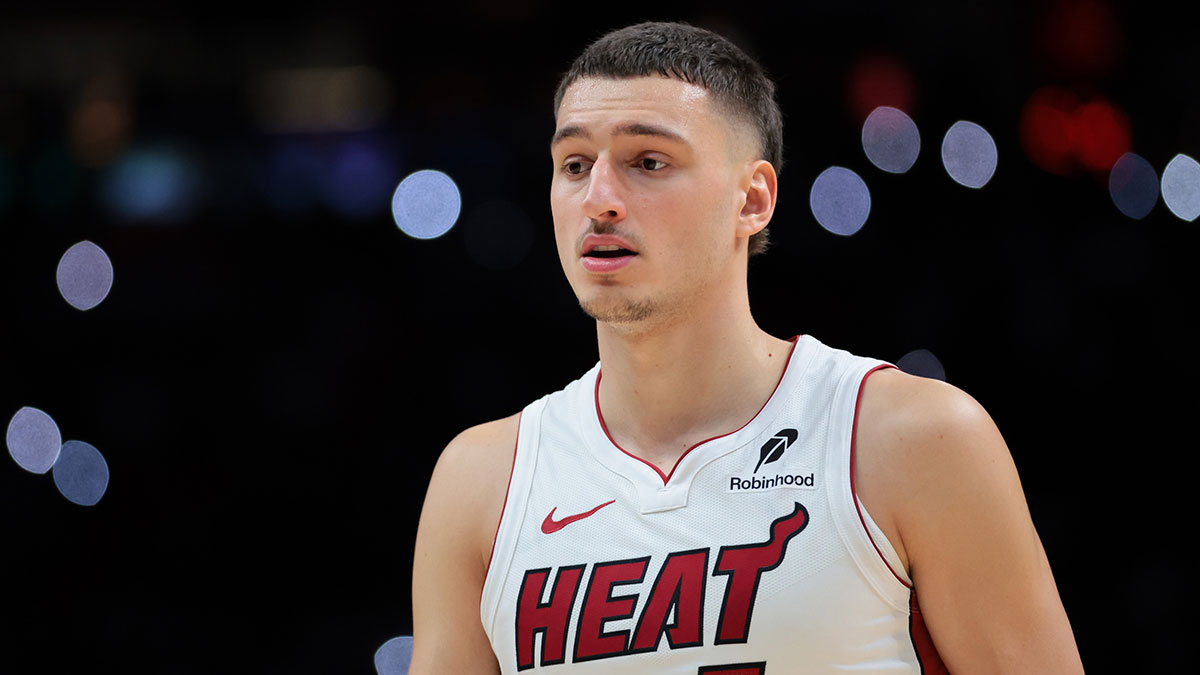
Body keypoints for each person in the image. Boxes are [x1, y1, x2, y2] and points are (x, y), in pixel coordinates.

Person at [411, 21, 1084, 674]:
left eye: (649, 162)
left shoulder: (915, 438)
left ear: (753, 198)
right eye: (575, 164)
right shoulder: (481, 482)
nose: (600, 199)